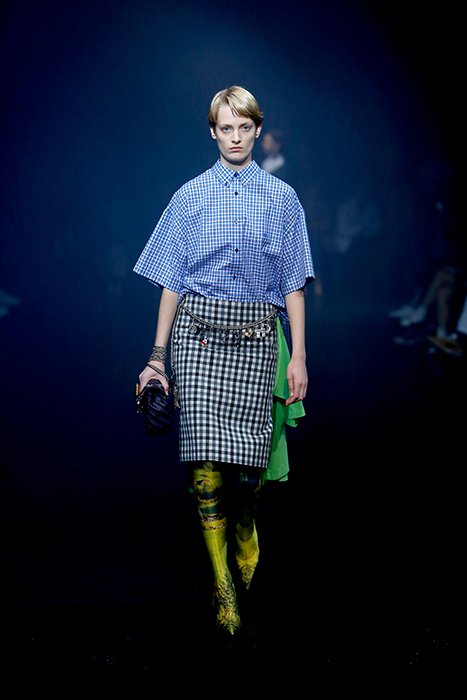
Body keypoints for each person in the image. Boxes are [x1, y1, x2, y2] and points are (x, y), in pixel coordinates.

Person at [133, 86, 314, 636]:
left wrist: (299, 356)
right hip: (198, 340)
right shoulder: (189, 196)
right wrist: (156, 359)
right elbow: (170, 280)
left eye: (244, 128)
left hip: (258, 340)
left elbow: (294, 285)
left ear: (257, 130)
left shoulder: (283, 199)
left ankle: (245, 525)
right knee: (206, 469)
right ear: (212, 132)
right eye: (225, 128)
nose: (235, 138)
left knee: (248, 477)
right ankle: (223, 589)